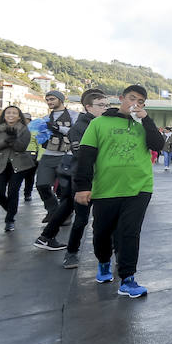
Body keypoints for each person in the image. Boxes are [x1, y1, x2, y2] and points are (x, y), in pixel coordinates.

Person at [74, 85, 165, 298]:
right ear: (121, 98)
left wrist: (147, 119)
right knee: (102, 232)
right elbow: (86, 156)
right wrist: (83, 187)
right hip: (106, 189)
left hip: (139, 187)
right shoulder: (99, 123)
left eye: (141, 101)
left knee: (130, 233)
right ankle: (104, 262)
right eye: (132, 98)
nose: (135, 103)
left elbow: (158, 145)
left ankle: (128, 279)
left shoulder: (144, 125)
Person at [33, 89, 108, 252]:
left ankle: (46, 237)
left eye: (106, 105)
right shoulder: (83, 124)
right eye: (101, 105)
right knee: (79, 213)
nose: (105, 108)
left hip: (72, 167)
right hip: (79, 171)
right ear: (88, 106)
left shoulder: (85, 120)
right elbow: (82, 152)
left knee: (67, 205)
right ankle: (71, 250)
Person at [35, 90, 79, 218]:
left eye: (52, 99)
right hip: (48, 154)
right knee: (42, 185)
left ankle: (66, 213)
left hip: (66, 155)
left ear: (61, 99)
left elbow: (75, 131)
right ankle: (53, 210)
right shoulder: (45, 118)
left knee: (65, 189)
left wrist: (58, 128)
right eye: (47, 100)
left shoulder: (73, 115)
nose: (49, 102)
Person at [0, 105, 35, 232]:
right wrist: (5, 141)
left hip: (19, 165)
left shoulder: (24, 129)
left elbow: (21, 147)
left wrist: (13, 140)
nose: (11, 115)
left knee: (13, 192)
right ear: (4, 115)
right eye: (8, 112)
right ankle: (11, 209)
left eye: (14, 113)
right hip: (0, 164)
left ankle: (9, 220)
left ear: (19, 116)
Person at [22, 113, 38, 201]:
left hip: (31, 155)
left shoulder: (34, 131)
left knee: (29, 176)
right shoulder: (17, 129)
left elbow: (38, 143)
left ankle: (27, 193)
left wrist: (38, 156)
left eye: (27, 119)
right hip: (20, 155)